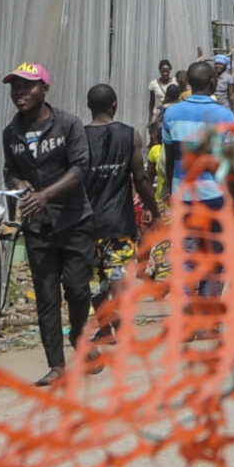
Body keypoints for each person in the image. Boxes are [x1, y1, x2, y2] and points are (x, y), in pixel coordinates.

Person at [1, 64, 91, 387]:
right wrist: (19, 182)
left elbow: (81, 166)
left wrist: (46, 195)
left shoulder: (68, 124)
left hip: (74, 220)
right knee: (46, 296)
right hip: (37, 226)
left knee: (78, 289)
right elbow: (8, 170)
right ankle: (56, 364)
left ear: (45, 89)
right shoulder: (11, 133)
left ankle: (80, 335)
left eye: (28, 87)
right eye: (16, 88)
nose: (20, 94)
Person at [80, 83, 158, 364]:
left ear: (89, 106)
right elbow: (140, 178)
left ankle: (103, 328)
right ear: (115, 104)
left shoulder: (79, 138)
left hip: (87, 222)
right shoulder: (130, 135)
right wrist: (155, 210)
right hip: (119, 220)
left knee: (95, 280)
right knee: (119, 276)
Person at [159, 60, 234, 304]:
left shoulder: (171, 114)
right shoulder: (225, 116)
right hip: (215, 196)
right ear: (213, 82)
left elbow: (170, 157)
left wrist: (170, 192)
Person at [145, 59, 179, 142]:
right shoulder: (153, 84)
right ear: (159, 71)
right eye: (163, 71)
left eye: (167, 71)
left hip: (172, 113)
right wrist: (150, 119)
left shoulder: (176, 81)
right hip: (159, 114)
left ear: (170, 70)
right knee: (156, 137)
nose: (165, 73)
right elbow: (151, 102)